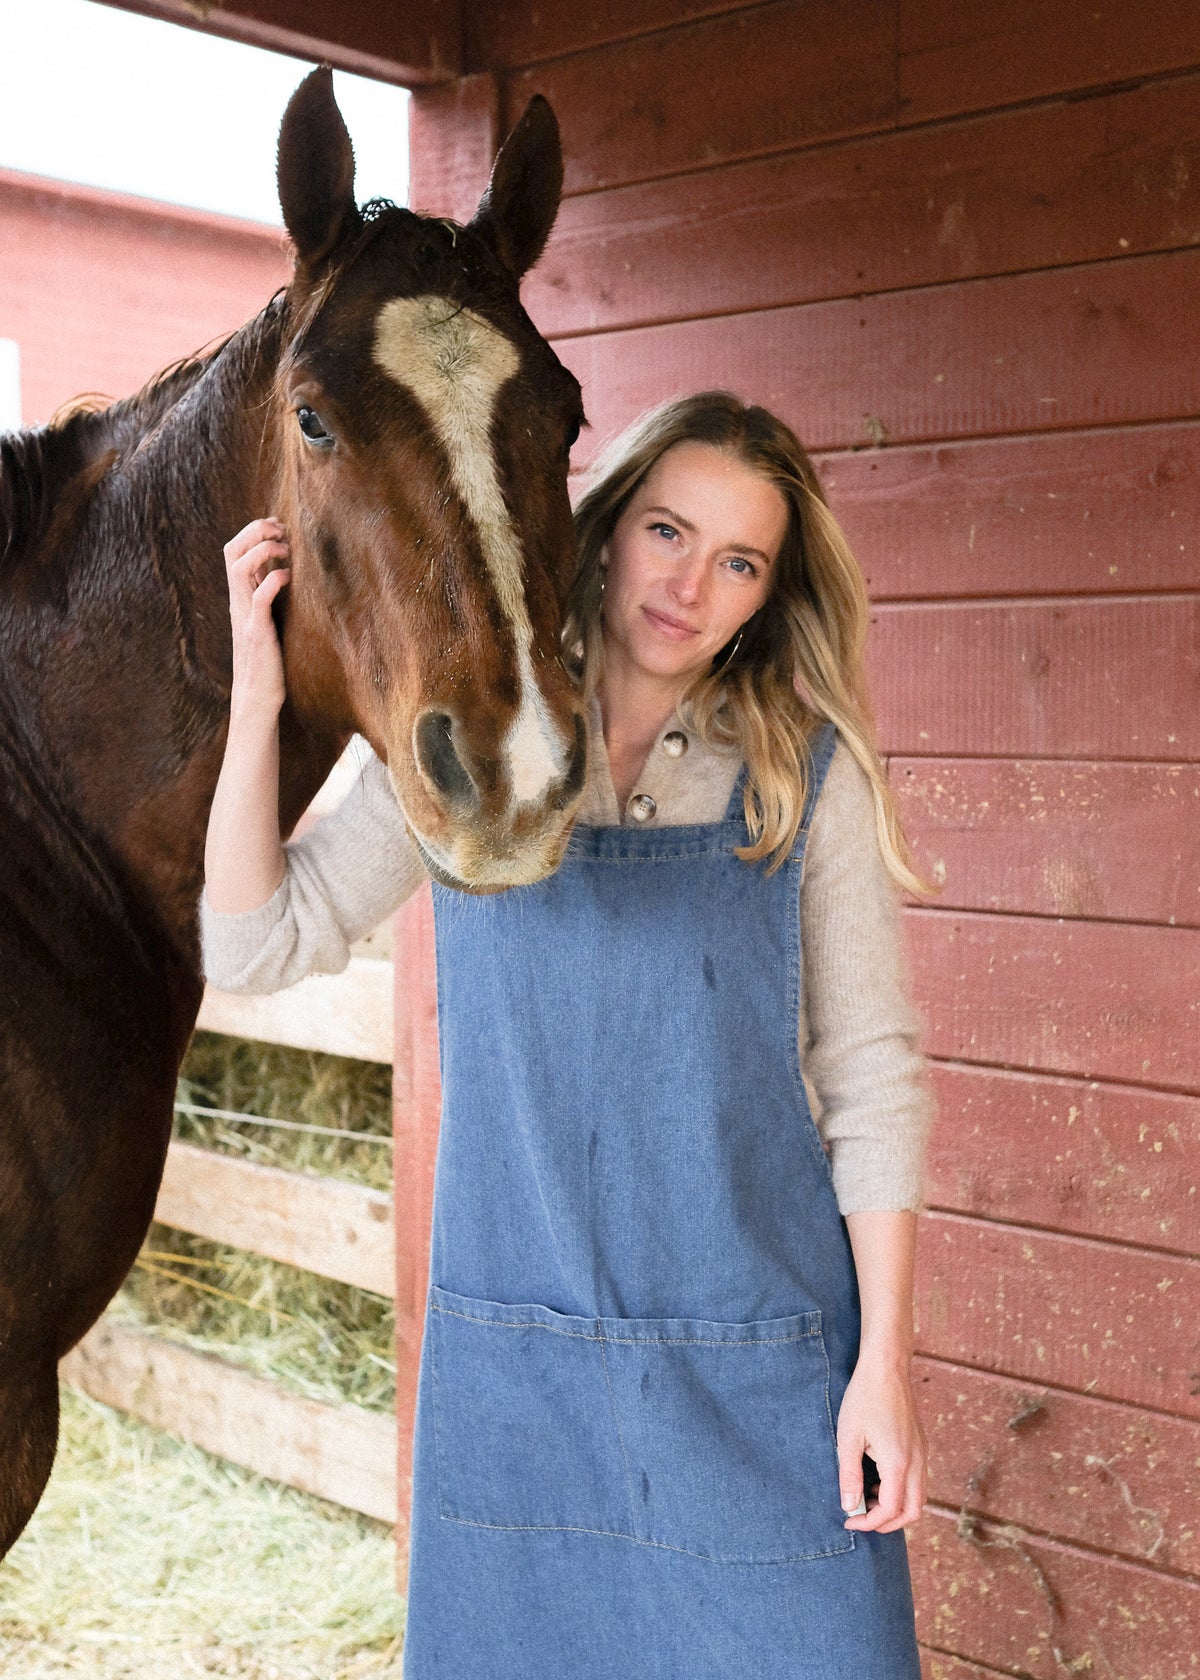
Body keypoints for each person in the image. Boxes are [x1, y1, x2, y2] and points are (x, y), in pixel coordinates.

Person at [202, 390, 934, 1679]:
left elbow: (871, 1079)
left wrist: (883, 1365)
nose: (690, 584)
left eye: (739, 561)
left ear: (769, 595)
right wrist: (258, 701)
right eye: (669, 530)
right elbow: (255, 943)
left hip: (760, 1373)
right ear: (608, 530)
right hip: (520, 1385)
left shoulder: (801, 776)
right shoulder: (476, 739)